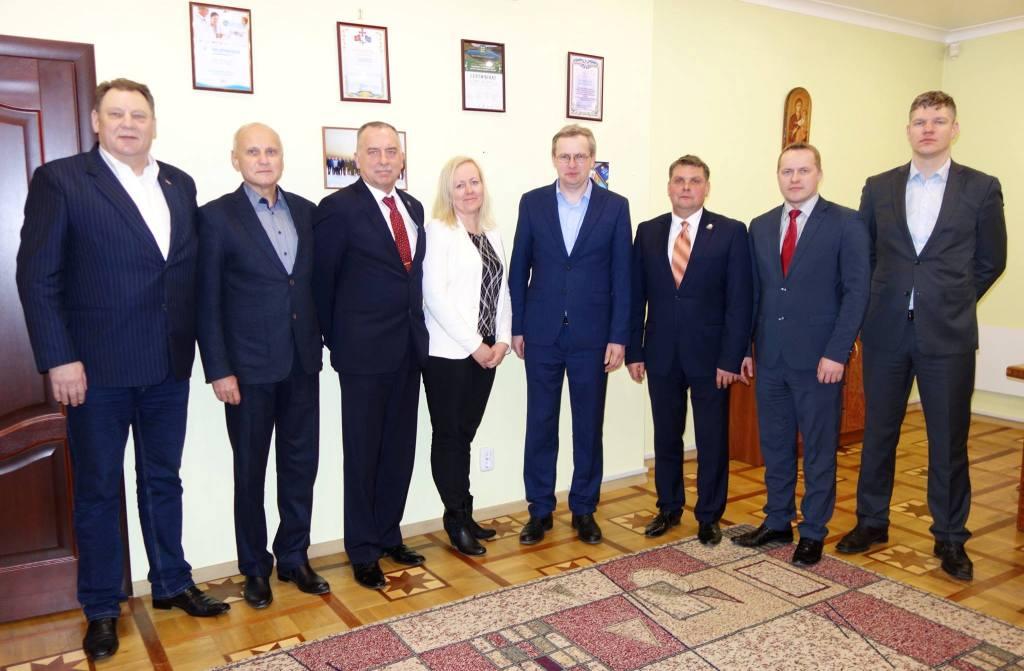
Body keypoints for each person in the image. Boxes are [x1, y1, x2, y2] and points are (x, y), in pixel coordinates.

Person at [15, 79, 228, 662]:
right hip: (96, 371)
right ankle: (102, 607)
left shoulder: (178, 183)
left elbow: (182, 274)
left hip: (167, 366)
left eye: (139, 115)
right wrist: (59, 357)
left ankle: (172, 582)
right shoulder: (62, 180)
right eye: (117, 114)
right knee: (97, 491)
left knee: (163, 480)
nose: (128, 124)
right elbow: (37, 276)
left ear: (153, 123)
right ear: (96, 121)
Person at [836, 91, 1007, 581]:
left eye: (938, 120)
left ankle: (950, 536)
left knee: (948, 439)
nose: (928, 128)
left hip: (947, 336)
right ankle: (871, 522)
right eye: (919, 121)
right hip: (886, 331)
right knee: (878, 433)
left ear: (955, 129)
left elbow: (991, 260)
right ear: (908, 129)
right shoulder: (879, 187)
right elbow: (866, 255)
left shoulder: (982, 187)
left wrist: (949, 299)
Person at [197, 123, 328, 609]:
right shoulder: (215, 217)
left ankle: (294, 556)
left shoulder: (307, 212)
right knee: (250, 472)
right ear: (236, 160)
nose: (263, 159)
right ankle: (254, 567)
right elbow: (207, 301)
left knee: (300, 466)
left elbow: (311, 286)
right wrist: (219, 369)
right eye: (253, 152)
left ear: (282, 157)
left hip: (301, 362)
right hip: (247, 371)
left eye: (271, 151)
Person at [731, 143, 869, 566]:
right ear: (778, 176)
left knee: (819, 449)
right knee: (775, 444)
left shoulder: (846, 223)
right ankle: (777, 520)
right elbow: (753, 294)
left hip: (819, 361)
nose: (794, 179)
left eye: (803, 170)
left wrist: (837, 352)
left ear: (818, 174)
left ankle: (812, 531)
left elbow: (856, 293)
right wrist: (746, 348)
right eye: (787, 171)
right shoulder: (760, 225)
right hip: (770, 357)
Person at [313, 121, 428, 590]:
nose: (383, 160)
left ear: (402, 158)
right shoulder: (337, 209)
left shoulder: (413, 207)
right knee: (362, 454)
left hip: (409, 350)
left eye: (391, 151)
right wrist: (337, 341)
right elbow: (322, 283)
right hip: (362, 355)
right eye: (373, 152)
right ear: (357, 159)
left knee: (399, 449)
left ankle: (387, 534)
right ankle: (362, 549)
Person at [509, 124, 632, 545]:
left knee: (588, 426)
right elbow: (519, 268)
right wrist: (518, 326)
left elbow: (623, 276)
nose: (573, 164)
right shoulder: (532, 203)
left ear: (592, 160)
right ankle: (539, 510)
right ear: (554, 159)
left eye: (580, 156)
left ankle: (584, 509)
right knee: (540, 424)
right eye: (565, 156)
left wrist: (619, 336)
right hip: (541, 334)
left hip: (593, 337)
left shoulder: (615, 207)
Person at [626, 155, 752, 544]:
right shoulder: (648, 232)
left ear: (706, 188)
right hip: (661, 352)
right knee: (666, 435)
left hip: (712, 358)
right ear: (669, 187)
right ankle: (669, 507)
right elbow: (635, 296)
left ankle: (709, 515)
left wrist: (732, 357)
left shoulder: (731, 232)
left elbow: (740, 301)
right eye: (679, 180)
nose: (686, 187)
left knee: (712, 438)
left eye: (694, 180)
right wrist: (634, 351)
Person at [422, 157, 512, 556]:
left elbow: (503, 291)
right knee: (450, 436)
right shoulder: (438, 231)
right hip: (449, 353)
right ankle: (455, 519)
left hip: (487, 350)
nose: (469, 190)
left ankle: (467, 513)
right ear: (448, 192)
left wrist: (502, 341)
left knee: (466, 435)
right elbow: (435, 297)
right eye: (459, 185)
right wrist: (476, 345)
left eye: (474, 182)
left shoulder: (492, 232)